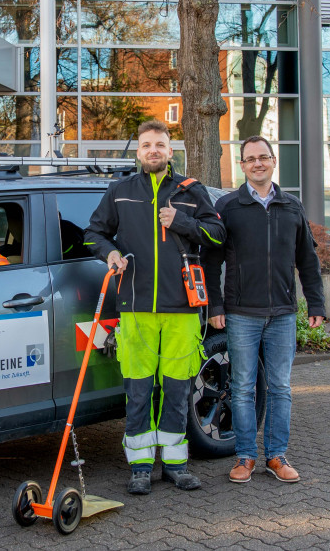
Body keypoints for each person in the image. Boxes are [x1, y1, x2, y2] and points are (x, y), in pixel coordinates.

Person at [84, 119, 225, 495]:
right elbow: (93, 233)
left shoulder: (190, 192)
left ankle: (176, 465)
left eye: (160, 145)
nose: (153, 151)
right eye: (147, 145)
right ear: (139, 152)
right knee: (139, 390)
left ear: (170, 151)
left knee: (178, 389)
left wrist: (181, 221)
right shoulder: (120, 191)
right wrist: (110, 251)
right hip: (135, 308)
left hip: (182, 309)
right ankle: (141, 467)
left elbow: (216, 234)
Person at [203, 135, 325, 484]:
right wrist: (215, 304)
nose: (257, 163)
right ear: (241, 165)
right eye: (250, 158)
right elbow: (211, 262)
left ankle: (276, 455)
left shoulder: (292, 206)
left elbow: (308, 260)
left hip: (283, 313)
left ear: (273, 162)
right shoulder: (228, 207)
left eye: (264, 157)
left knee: (280, 387)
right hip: (241, 313)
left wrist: (315, 302)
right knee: (242, 388)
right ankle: (245, 457)